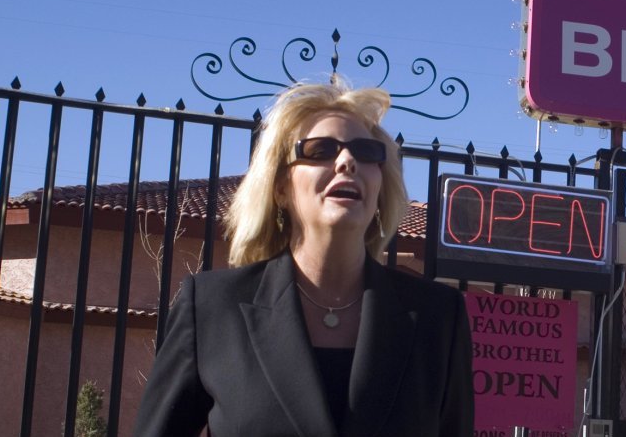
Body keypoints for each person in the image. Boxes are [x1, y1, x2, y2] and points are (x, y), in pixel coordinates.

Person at [135, 80, 473, 436]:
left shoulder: (438, 318)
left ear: (381, 184)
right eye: (320, 150)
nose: (346, 161)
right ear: (281, 186)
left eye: (366, 152)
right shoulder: (211, 308)